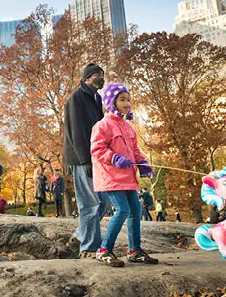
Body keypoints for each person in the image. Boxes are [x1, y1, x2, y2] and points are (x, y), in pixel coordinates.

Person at [91, 83, 158, 267]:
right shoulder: (102, 125)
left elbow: (135, 150)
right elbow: (97, 150)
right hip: (111, 177)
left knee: (136, 210)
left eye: (128, 99)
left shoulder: (128, 128)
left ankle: (134, 250)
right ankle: (104, 250)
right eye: (122, 99)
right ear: (111, 102)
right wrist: (113, 158)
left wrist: (142, 163)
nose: (127, 103)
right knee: (123, 210)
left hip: (128, 178)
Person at [63, 63, 108, 258]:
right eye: (99, 75)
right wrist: (86, 160)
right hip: (82, 158)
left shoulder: (96, 98)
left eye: (103, 75)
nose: (102, 79)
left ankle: (80, 235)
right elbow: (76, 133)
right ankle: (89, 248)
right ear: (88, 77)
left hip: (97, 156)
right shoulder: (76, 99)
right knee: (89, 203)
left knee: (105, 200)